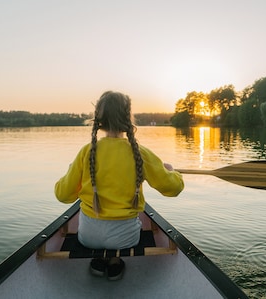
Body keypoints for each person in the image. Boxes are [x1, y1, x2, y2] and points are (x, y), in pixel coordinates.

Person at [54, 91, 184, 281]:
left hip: (87, 237)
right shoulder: (140, 153)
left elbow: (63, 195)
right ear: (128, 118)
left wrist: (69, 174)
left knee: (94, 231)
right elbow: (173, 189)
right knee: (126, 231)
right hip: (127, 239)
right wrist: (172, 172)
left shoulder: (86, 152)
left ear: (98, 119)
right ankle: (115, 262)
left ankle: (99, 260)